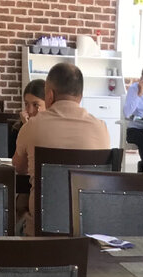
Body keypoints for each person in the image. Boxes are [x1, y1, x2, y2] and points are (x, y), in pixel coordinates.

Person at [12, 61, 111, 236]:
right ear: (80, 96)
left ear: (49, 95)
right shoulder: (101, 128)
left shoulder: (32, 126)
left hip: (41, 233)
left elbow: (18, 168)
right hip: (87, 234)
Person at [10, 80, 46, 219]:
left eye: (36, 105)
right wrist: (26, 127)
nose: (30, 111)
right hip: (28, 186)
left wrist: (29, 127)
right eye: (26, 104)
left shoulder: (51, 131)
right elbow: (19, 167)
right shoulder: (17, 129)